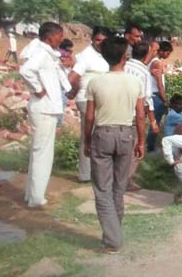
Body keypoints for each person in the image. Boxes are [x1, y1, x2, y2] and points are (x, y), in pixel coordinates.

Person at [83, 36, 145, 254]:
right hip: (126, 135)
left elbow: (89, 118)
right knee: (118, 189)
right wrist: (142, 141)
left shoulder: (95, 83)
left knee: (102, 190)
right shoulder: (135, 82)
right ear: (124, 56)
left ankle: (112, 240)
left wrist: (87, 140)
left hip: (103, 135)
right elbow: (140, 116)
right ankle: (113, 234)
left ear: (104, 55)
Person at [19, 22, 71, 209]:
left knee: (38, 152)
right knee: (42, 153)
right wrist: (38, 89)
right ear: (50, 36)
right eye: (59, 36)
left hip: (45, 107)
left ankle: (32, 194)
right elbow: (25, 71)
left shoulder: (46, 51)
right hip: (44, 108)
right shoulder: (41, 53)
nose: (61, 39)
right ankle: (36, 198)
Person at [67, 27, 110, 183]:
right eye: (97, 40)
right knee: (89, 137)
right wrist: (73, 91)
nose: (100, 43)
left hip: (100, 100)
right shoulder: (86, 56)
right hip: (86, 100)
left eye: (103, 41)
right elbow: (72, 77)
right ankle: (85, 175)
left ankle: (96, 172)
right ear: (92, 40)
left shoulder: (103, 55)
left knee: (100, 137)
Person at [124, 41, 159, 191]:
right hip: (134, 114)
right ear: (146, 55)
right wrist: (153, 121)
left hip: (117, 113)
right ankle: (126, 180)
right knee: (137, 148)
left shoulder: (123, 66)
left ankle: (114, 177)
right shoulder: (144, 72)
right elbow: (147, 100)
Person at [146, 40, 173, 152]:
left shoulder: (152, 61)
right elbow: (159, 84)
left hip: (153, 94)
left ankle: (149, 145)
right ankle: (151, 148)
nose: (168, 55)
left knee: (154, 121)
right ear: (161, 51)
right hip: (157, 95)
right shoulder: (158, 63)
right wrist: (165, 99)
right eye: (167, 53)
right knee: (155, 122)